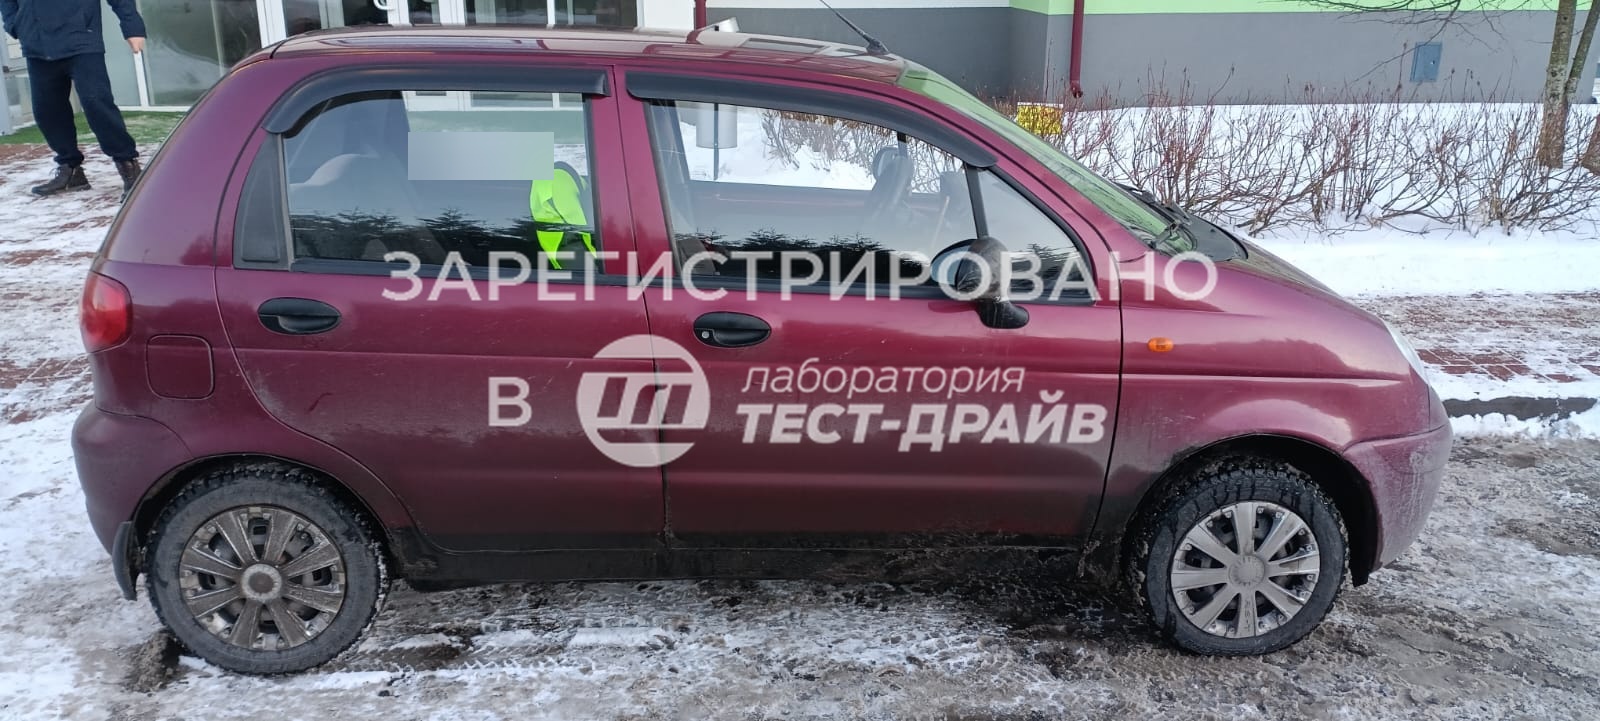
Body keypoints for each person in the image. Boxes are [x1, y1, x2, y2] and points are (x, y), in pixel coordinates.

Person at [0, 0, 147, 197]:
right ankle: (71, 170)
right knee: (47, 111)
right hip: (36, 44)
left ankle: (128, 166)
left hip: (82, 40)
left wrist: (132, 26)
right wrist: (14, 23)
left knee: (97, 104)